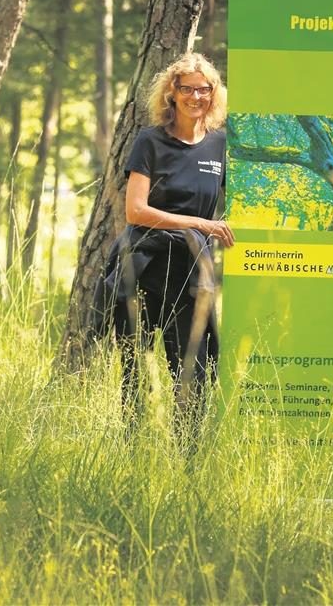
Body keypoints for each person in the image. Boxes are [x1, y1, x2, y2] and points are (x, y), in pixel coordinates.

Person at [104, 52, 233, 417]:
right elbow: (136, 211)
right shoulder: (150, 141)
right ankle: (134, 452)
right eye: (188, 89)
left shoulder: (220, 145)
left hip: (192, 271)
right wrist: (201, 224)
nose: (197, 97)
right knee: (135, 374)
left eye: (204, 89)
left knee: (194, 371)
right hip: (145, 265)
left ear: (213, 94)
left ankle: (187, 463)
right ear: (172, 94)